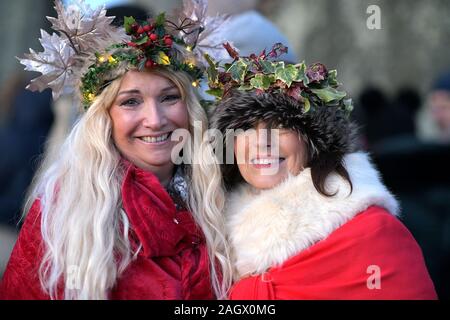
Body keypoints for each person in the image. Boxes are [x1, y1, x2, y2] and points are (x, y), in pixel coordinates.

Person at [0, 0, 232, 300]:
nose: (155, 120)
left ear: (190, 108)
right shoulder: (64, 211)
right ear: (104, 118)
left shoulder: (221, 195)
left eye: (169, 98)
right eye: (131, 102)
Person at [207, 43, 438, 299]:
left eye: (282, 125)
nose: (262, 142)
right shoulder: (213, 238)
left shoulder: (372, 232)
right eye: (247, 127)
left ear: (313, 142)